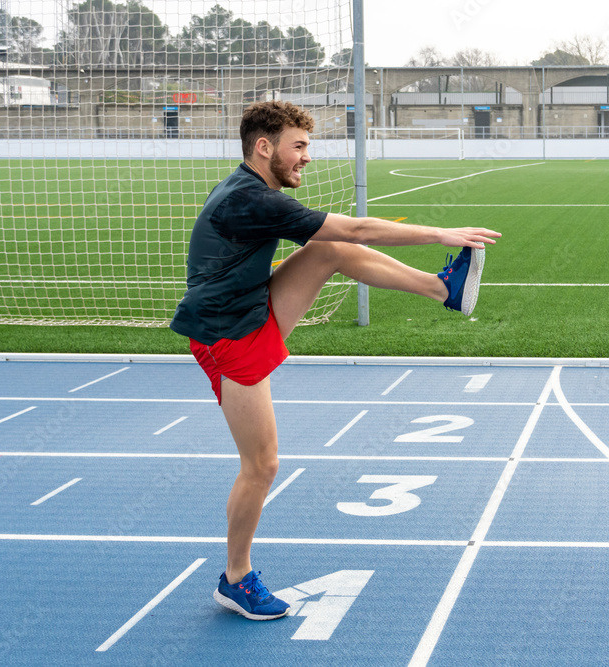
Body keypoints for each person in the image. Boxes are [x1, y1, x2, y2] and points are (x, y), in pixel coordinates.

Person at [169, 100, 500, 621]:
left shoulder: (251, 189)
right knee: (262, 464)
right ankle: (235, 580)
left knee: (328, 252)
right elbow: (359, 229)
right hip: (227, 336)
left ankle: (444, 289)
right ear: (264, 147)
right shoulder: (251, 201)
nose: (305, 158)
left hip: (250, 310)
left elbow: (342, 241)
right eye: (298, 147)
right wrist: (441, 233)